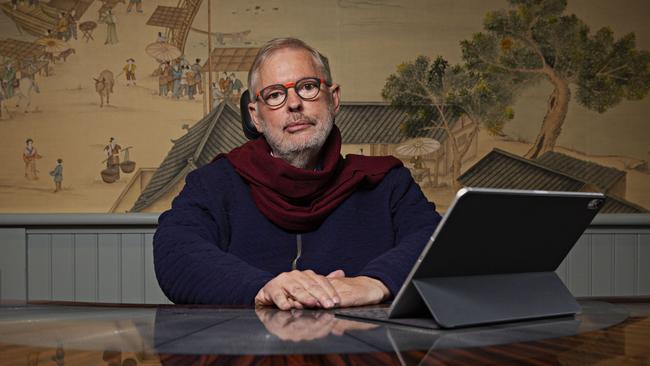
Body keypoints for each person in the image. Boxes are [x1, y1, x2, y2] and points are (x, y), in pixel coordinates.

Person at [153, 38, 441, 310]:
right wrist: (264, 288)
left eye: (307, 87)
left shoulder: (387, 183)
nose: (294, 104)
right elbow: (174, 250)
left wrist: (376, 282)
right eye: (275, 94)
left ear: (334, 98)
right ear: (256, 115)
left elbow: (435, 240)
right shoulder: (214, 183)